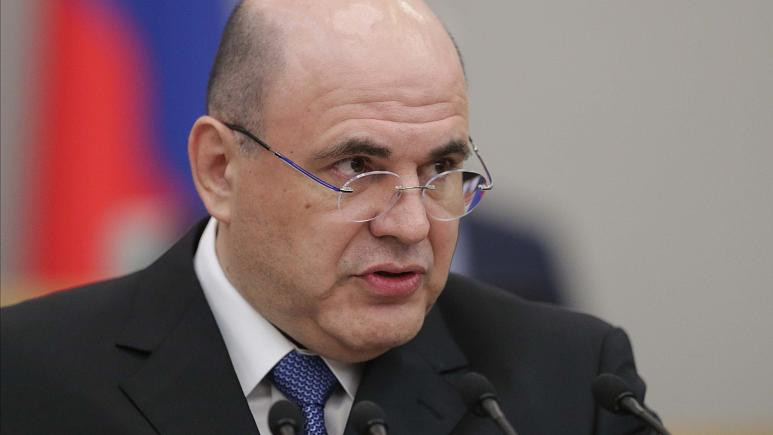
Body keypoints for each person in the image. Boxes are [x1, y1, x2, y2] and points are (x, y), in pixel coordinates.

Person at [1, 1, 654, 434]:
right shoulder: (27, 376)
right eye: (357, 167)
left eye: (441, 168)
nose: (411, 225)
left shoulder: (574, 380)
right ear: (220, 170)